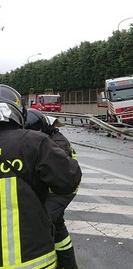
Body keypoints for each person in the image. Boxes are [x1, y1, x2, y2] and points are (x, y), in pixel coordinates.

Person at [0, 84, 82, 269]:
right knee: (57, 226)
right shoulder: (35, 142)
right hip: (34, 259)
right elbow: (68, 180)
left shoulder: (51, 140)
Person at [25, 108, 80, 269]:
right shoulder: (47, 134)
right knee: (57, 225)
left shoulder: (57, 144)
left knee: (44, 222)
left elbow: (59, 175)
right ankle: (69, 264)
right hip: (57, 187)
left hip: (62, 190)